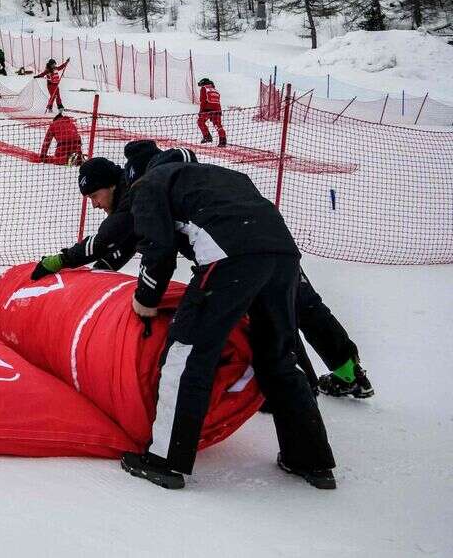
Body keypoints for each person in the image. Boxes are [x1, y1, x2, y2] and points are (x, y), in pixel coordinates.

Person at [36, 141, 374, 401]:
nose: (93, 203)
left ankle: (289, 388)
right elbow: (122, 246)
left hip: (232, 256)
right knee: (299, 305)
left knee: (261, 317)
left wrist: (65, 261)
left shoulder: (141, 192)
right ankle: (344, 373)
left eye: (94, 194)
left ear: (117, 182)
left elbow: (112, 239)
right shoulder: (189, 176)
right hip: (273, 240)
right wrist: (97, 277)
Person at [121, 149, 337, 490]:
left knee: (188, 352)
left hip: (230, 258)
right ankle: (309, 460)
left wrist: (146, 299)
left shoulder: (151, 184)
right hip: (283, 256)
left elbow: (158, 251)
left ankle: (165, 460)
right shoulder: (220, 176)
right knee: (278, 357)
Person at [197, 78, 227, 146]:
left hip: (207, 110)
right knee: (218, 125)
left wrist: (201, 112)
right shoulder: (215, 90)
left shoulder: (204, 88)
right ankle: (223, 140)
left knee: (200, 122)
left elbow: (203, 101)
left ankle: (207, 136)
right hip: (217, 110)